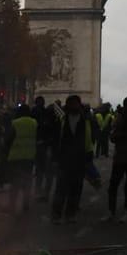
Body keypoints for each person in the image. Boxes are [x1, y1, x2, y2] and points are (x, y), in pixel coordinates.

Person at [50, 94, 97, 224]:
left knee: (75, 188)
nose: (74, 106)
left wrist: (89, 155)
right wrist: (55, 158)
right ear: (68, 105)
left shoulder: (85, 120)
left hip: (79, 158)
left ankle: (71, 213)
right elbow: (56, 139)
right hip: (64, 159)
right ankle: (56, 214)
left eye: (76, 103)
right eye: (72, 104)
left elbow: (88, 138)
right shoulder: (61, 119)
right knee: (61, 188)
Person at [6, 104, 38, 212]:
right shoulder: (34, 123)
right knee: (27, 181)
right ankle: (26, 203)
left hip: (16, 156)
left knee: (15, 182)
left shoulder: (15, 123)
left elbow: (8, 138)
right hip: (29, 155)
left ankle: (12, 204)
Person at [32, 95, 60, 203]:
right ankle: (44, 193)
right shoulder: (54, 118)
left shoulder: (37, 115)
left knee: (41, 171)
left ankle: (40, 192)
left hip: (43, 147)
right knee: (48, 173)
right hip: (49, 148)